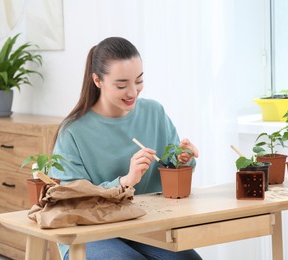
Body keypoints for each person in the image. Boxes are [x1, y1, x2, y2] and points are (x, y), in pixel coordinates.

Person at [51, 37, 201, 260]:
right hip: (90, 232)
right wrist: (124, 182)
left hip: (146, 224)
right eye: (121, 85)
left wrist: (184, 160)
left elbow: (171, 168)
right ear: (98, 80)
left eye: (138, 81)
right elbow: (72, 202)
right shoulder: (73, 131)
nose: (132, 92)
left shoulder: (155, 113)